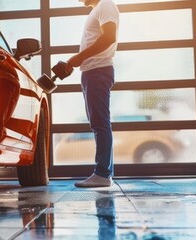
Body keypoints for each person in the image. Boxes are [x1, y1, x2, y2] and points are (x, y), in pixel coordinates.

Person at [67, 0, 119, 188]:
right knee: (99, 123)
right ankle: (104, 173)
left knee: (100, 123)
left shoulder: (105, 4)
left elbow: (109, 37)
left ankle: (103, 174)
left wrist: (78, 58)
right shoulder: (98, 9)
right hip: (92, 71)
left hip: (98, 71)